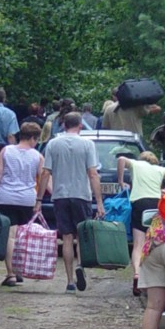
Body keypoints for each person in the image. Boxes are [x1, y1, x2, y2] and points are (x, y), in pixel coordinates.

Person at [35, 111, 105, 293]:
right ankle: (80, 265)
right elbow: (93, 173)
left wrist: (39, 199)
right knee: (81, 235)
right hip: (81, 194)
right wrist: (99, 202)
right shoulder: (88, 144)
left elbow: (45, 173)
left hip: (60, 195)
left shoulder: (53, 144)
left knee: (66, 237)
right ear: (80, 125)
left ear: (63, 125)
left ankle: (69, 281)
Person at [0, 122, 44, 287]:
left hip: (6, 197)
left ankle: (10, 273)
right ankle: (20, 270)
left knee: (10, 236)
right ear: (33, 138)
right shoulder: (37, 156)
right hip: (27, 199)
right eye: (36, 140)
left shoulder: (6, 151)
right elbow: (44, 178)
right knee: (23, 235)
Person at [116, 151, 165, 296]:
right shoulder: (159, 169)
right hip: (157, 203)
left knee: (138, 244)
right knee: (156, 241)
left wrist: (121, 181)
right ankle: (157, 277)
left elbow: (121, 159)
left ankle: (137, 273)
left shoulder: (136, 164)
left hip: (140, 203)